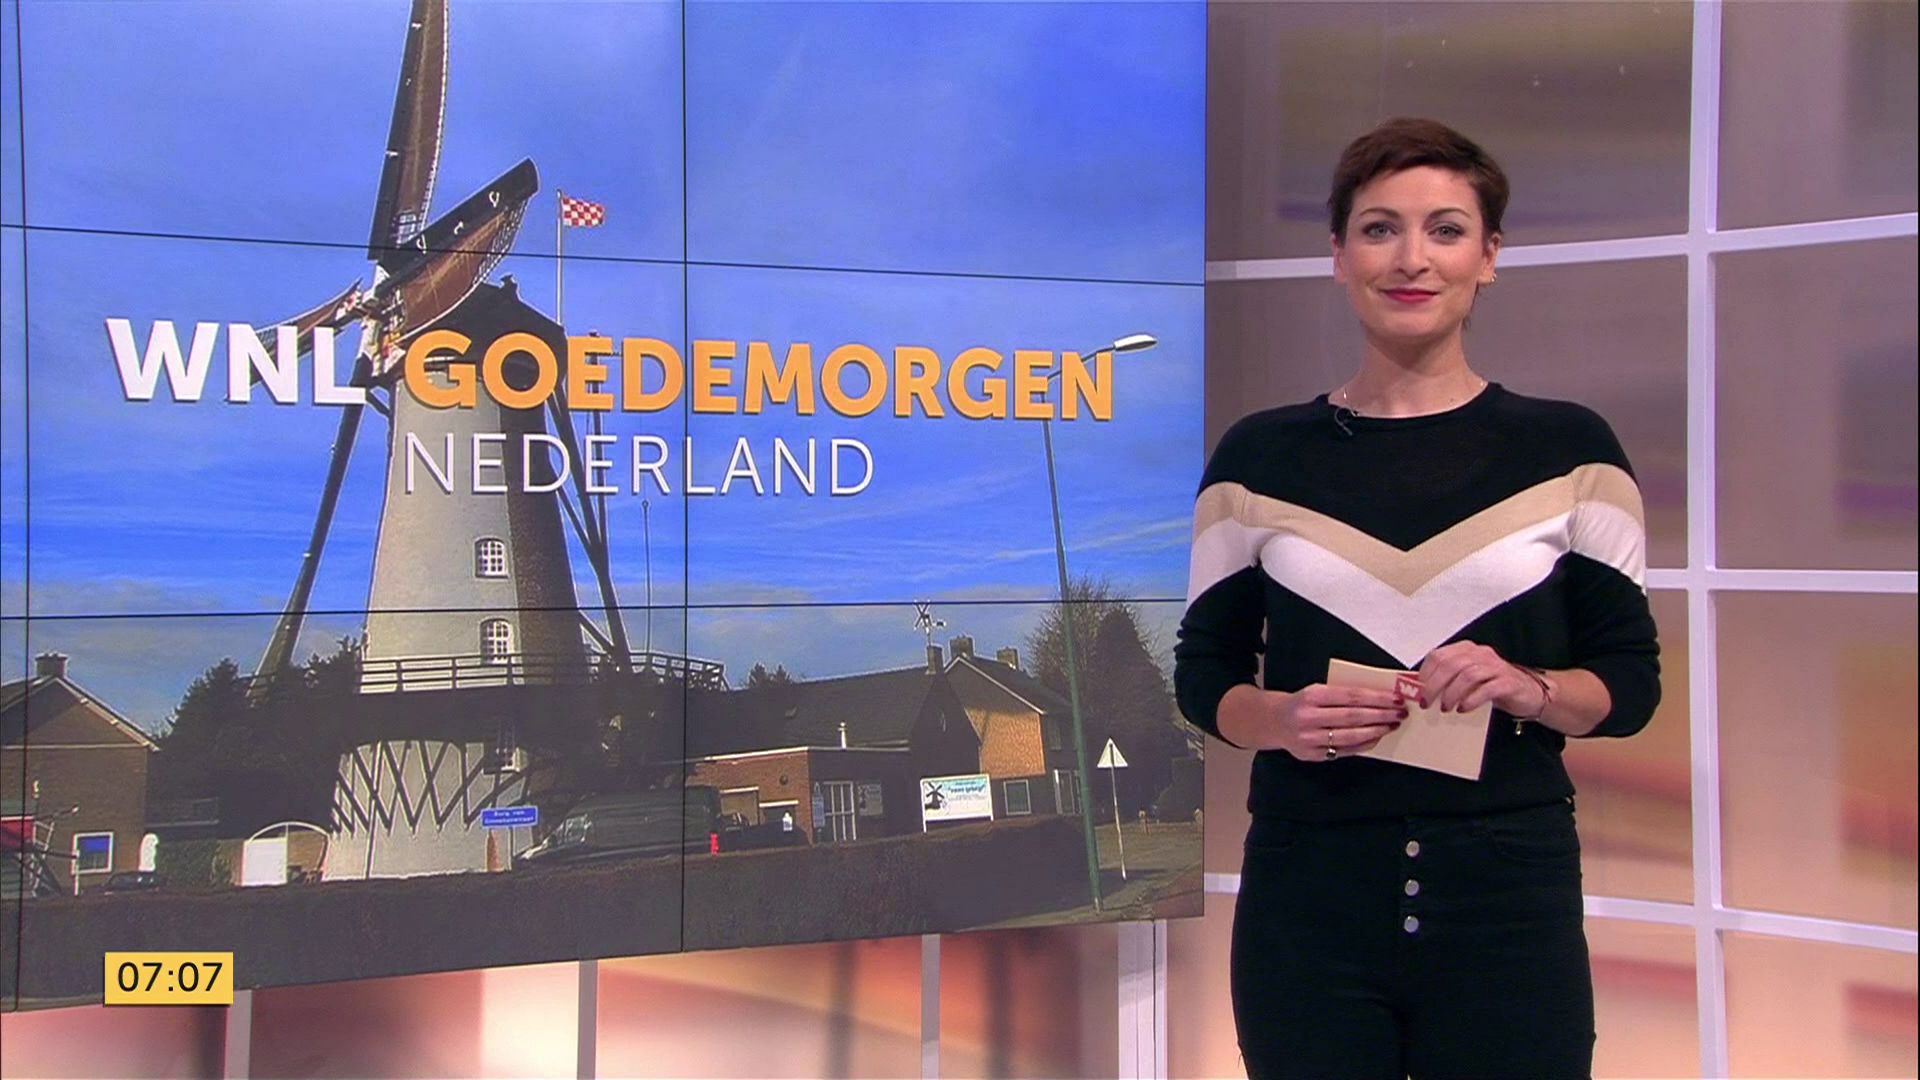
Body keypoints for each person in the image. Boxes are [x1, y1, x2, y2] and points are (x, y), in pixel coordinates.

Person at [1174, 117, 1661, 1080]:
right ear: (1338, 256)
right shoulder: (1258, 456)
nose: (1411, 258)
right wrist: (1282, 719)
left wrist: (1527, 686)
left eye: (1445, 230)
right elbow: (1202, 676)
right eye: (1379, 229)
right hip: (1307, 892)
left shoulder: (1572, 452)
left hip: (1508, 895)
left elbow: (1628, 686)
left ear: (1490, 257)